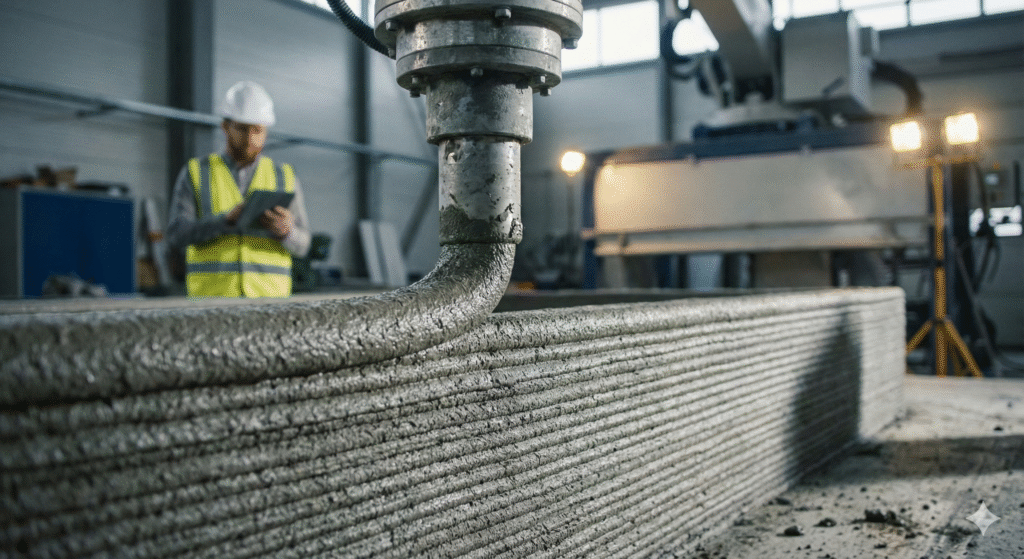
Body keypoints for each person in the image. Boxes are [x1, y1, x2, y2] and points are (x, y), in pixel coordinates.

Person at [167, 81, 311, 297]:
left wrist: (287, 232)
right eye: (242, 129)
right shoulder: (196, 172)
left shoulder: (285, 176)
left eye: (257, 131)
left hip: (270, 302)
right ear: (225, 126)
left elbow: (303, 245)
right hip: (212, 300)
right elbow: (176, 236)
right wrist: (223, 222)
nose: (250, 139)